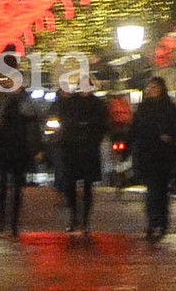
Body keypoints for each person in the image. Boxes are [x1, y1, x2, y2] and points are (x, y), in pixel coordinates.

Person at [129, 76, 176, 245]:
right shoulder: (144, 108)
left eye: (155, 87)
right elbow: (136, 129)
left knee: (159, 190)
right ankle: (154, 222)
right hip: (148, 154)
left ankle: (160, 222)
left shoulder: (169, 108)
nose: (152, 90)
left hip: (164, 155)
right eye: (150, 87)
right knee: (153, 190)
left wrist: (170, 136)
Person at [52, 78, 109, 237]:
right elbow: (61, 115)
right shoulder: (72, 102)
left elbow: (103, 125)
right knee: (70, 185)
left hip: (88, 149)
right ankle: (74, 217)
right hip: (73, 148)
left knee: (87, 186)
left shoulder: (97, 104)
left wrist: (93, 138)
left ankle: (84, 220)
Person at [0, 79, 36, 238]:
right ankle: (3, 220)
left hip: (18, 150)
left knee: (16, 189)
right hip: (4, 150)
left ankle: (12, 223)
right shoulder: (2, 102)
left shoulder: (24, 101)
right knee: (1, 187)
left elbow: (32, 120)